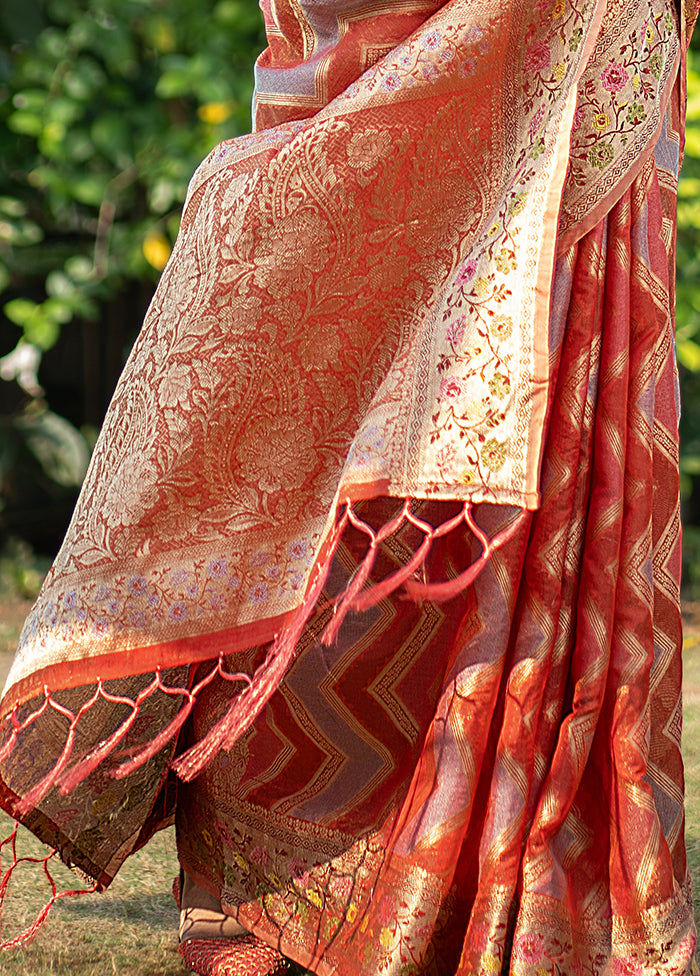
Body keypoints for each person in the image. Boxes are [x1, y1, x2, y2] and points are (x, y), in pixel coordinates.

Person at [1, 0, 699, 974]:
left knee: (515, 453)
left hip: (582, 64)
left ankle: (474, 872)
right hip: (458, 50)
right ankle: (274, 872)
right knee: (305, 391)